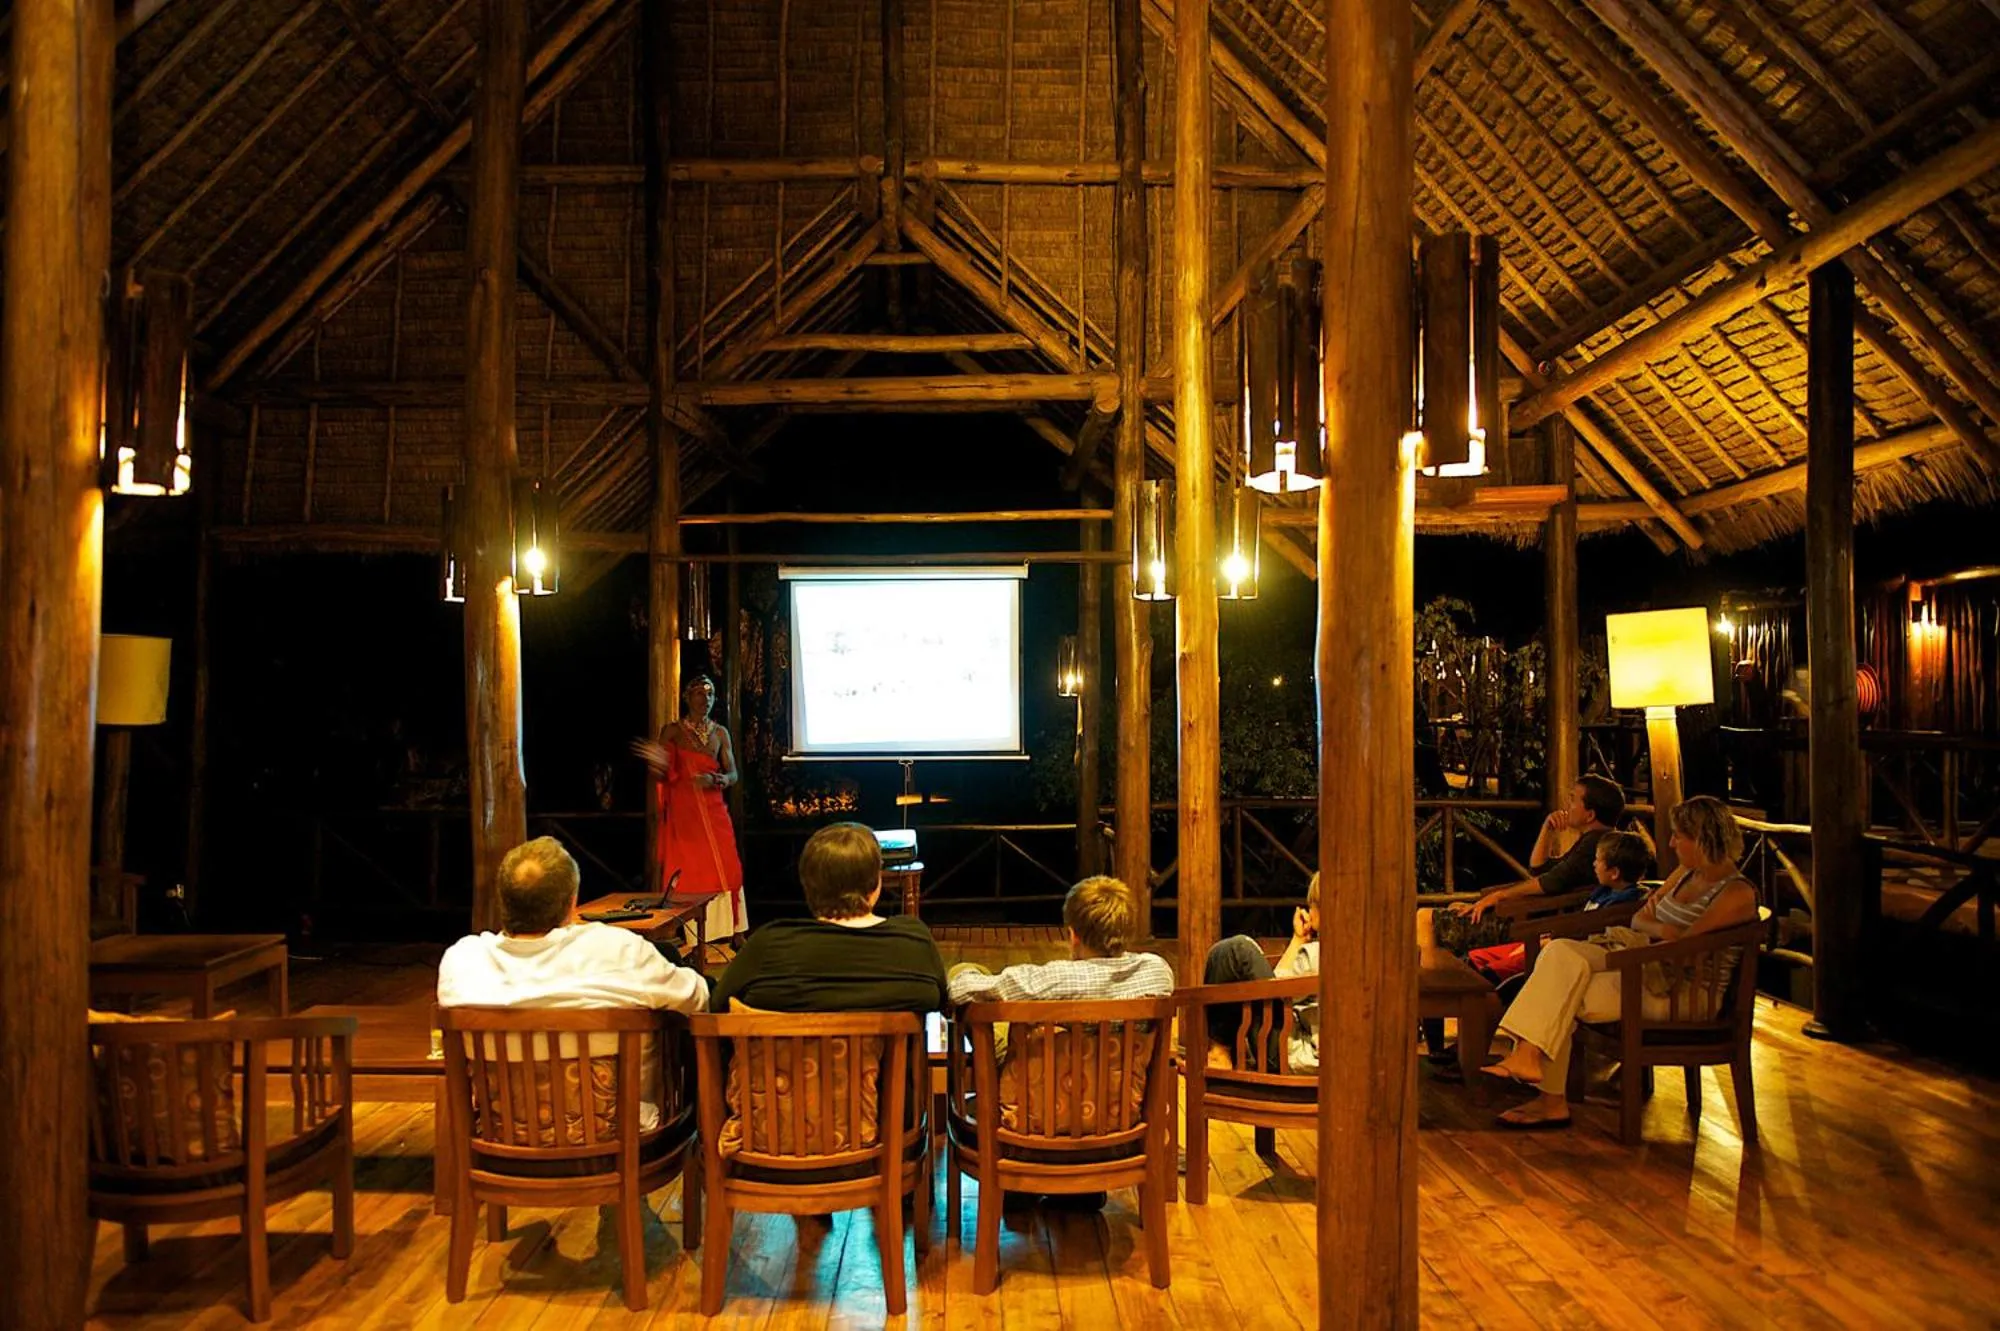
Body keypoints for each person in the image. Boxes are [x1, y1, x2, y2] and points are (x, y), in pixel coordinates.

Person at [1481, 796, 1757, 1128]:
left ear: (1702, 839)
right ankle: (1529, 1059)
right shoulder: (1686, 873)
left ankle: (1548, 1097)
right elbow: (1641, 919)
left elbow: (1685, 946)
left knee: (1563, 990)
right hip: (1646, 963)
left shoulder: (1736, 893)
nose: (1670, 843)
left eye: (1678, 836)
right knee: (1559, 953)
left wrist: (1662, 930)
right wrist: (1662, 928)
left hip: (1683, 993)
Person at [437, 837, 709, 1131]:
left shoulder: (461, 961)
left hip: (501, 1137)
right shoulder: (618, 950)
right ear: (572, 902)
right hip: (620, 1141)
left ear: (503, 900)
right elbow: (699, 999)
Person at [709, 821, 948, 1014]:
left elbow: (717, 1006)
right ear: (876, 884)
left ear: (807, 885)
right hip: (883, 1075)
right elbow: (941, 1004)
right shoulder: (914, 943)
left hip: (782, 1074)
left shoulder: (767, 946)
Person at [947, 875, 1175, 1055]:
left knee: (966, 975)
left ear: (1073, 935)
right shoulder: (1157, 971)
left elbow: (959, 990)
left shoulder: (1052, 979)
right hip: (1122, 1094)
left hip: (1041, 1090)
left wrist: (966, 973)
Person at [1418, 774, 1626, 969]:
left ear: (1590, 814)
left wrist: (1498, 897)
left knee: (1426, 918)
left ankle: (1434, 990)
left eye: (1573, 800)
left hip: (1529, 923)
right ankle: (1444, 989)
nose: (1567, 806)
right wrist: (1548, 828)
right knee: (1453, 907)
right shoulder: (1596, 842)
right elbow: (1538, 870)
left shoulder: (1593, 845)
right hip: (1532, 915)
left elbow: (1550, 882)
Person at [634, 674, 745, 950]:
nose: (705, 699)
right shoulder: (672, 731)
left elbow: (733, 773)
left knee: (728, 865)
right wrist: (656, 760)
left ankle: (733, 929)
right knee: (692, 870)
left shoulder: (720, 733)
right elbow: (660, 771)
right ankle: (693, 933)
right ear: (687, 697)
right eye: (699, 693)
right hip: (686, 814)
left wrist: (719, 780)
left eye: (710, 694)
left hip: (714, 809)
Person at [1465, 830, 1653, 986]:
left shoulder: (1625, 904)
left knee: (1491, 971)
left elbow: (1591, 931)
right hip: (1555, 940)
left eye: (1598, 860)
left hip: (1566, 950)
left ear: (1614, 873)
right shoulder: (1603, 891)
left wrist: (1551, 938)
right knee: (1476, 958)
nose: (1594, 864)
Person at [1200, 873, 1320, 1072]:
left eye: (1313, 905)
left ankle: (1219, 1052)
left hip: (1290, 1060)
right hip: (1324, 1060)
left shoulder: (1316, 954)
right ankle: (1221, 1052)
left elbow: (1275, 988)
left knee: (1236, 951)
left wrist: (1297, 943)